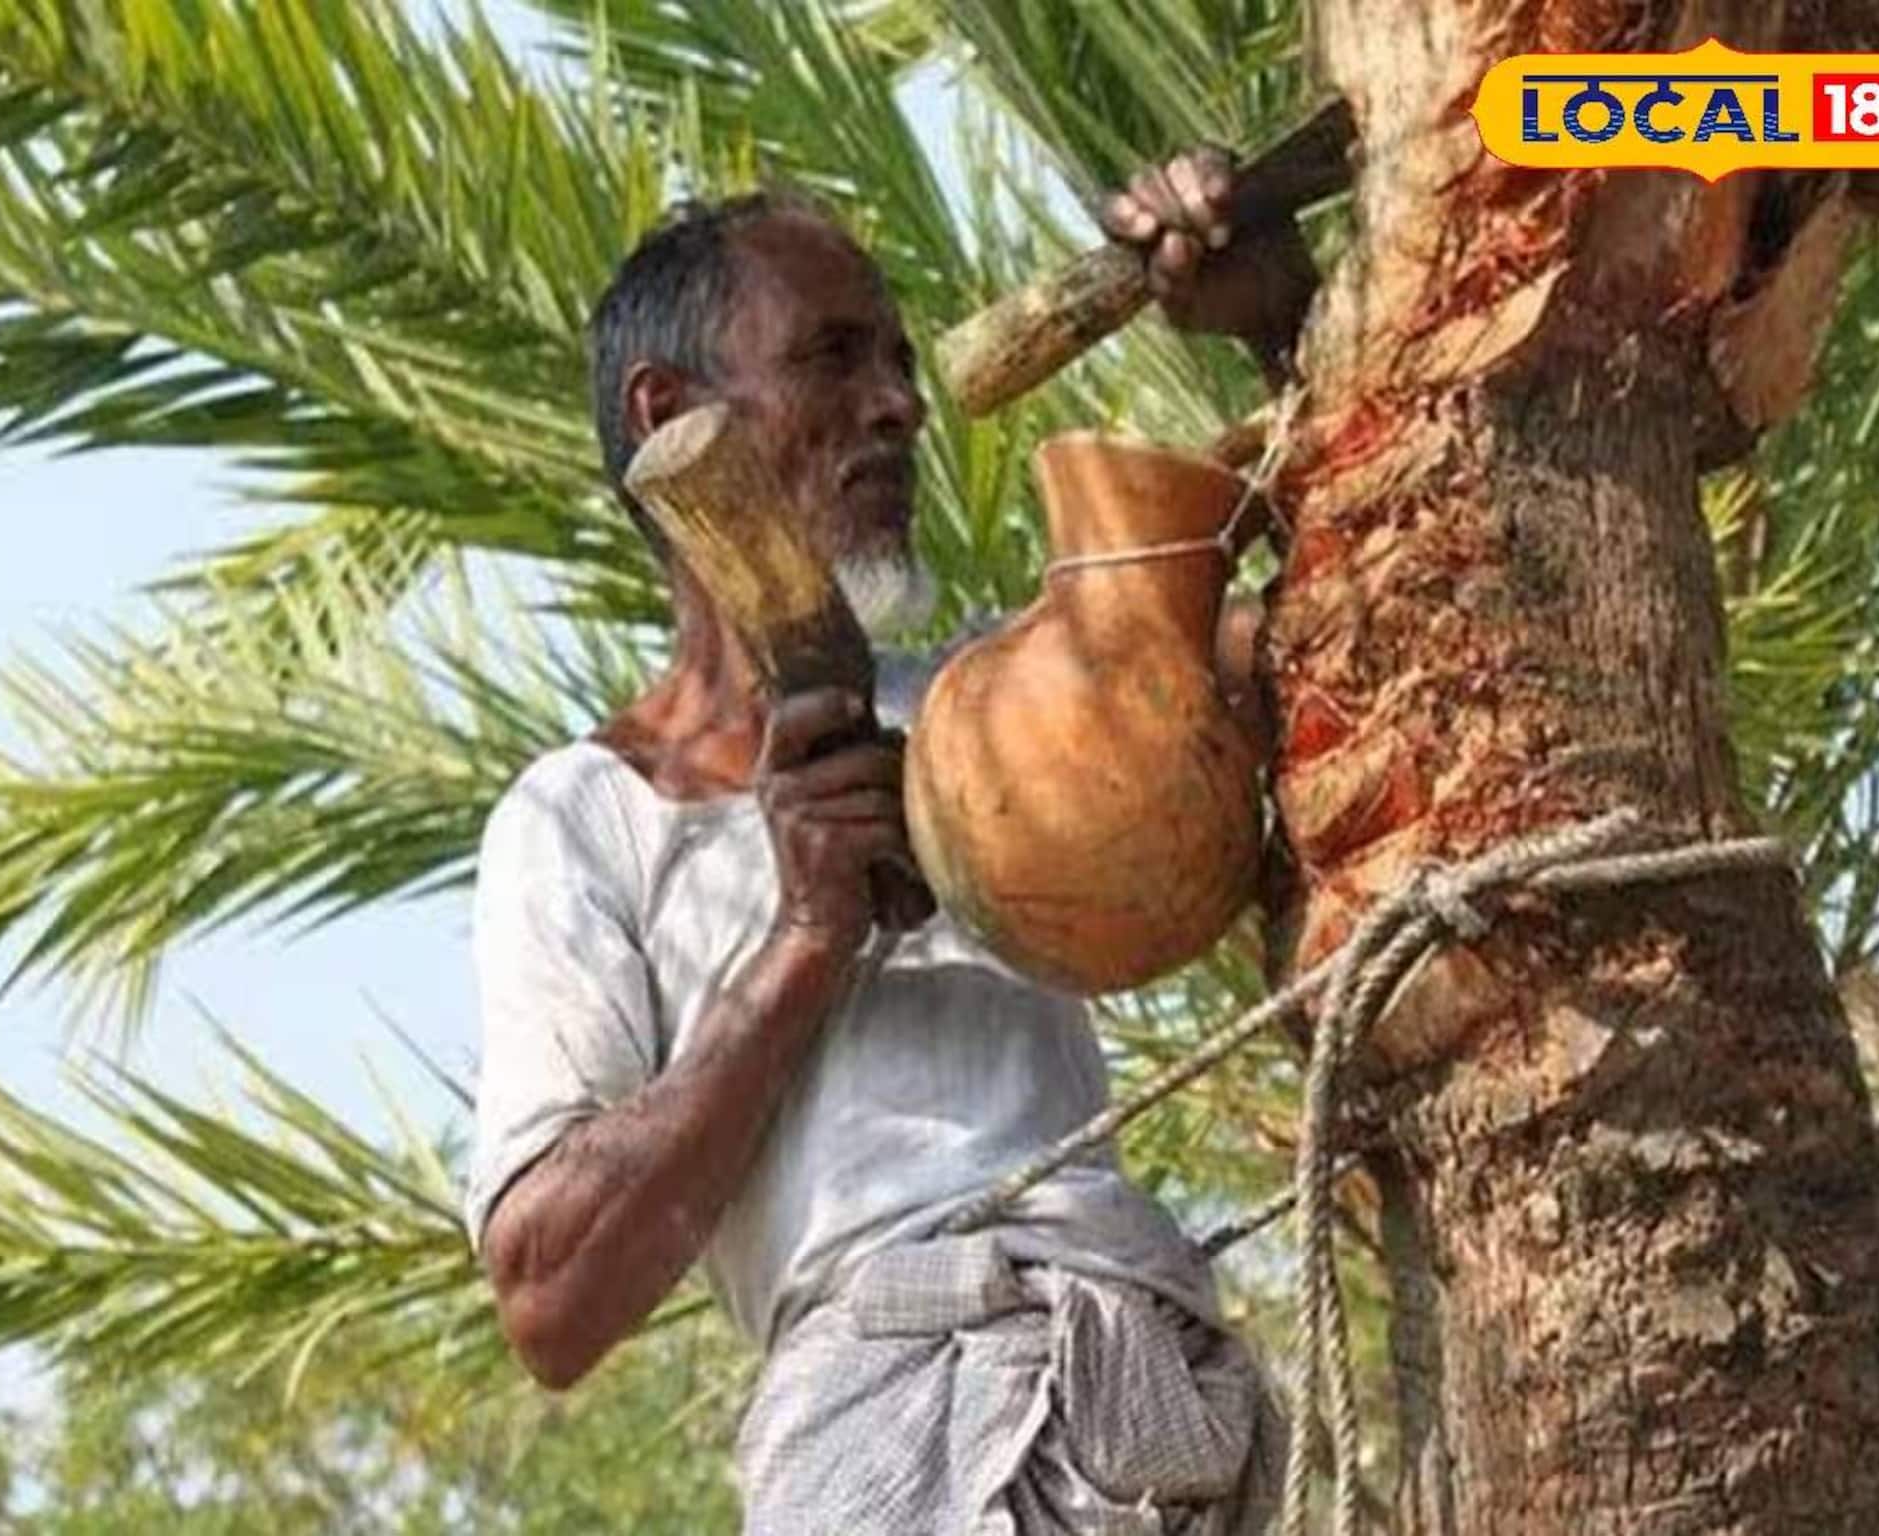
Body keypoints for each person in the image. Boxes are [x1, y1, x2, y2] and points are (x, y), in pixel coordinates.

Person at [464, 146, 1318, 1534]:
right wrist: (807, 938)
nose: (901, 404)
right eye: (833, 357)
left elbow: (1343, 644)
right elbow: (552, 1298)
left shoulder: (998, 699)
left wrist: (1280, 325)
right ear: (669, 413)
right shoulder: (580, 818)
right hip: (885, 1439)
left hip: (1145, 1417)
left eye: (902, 363)